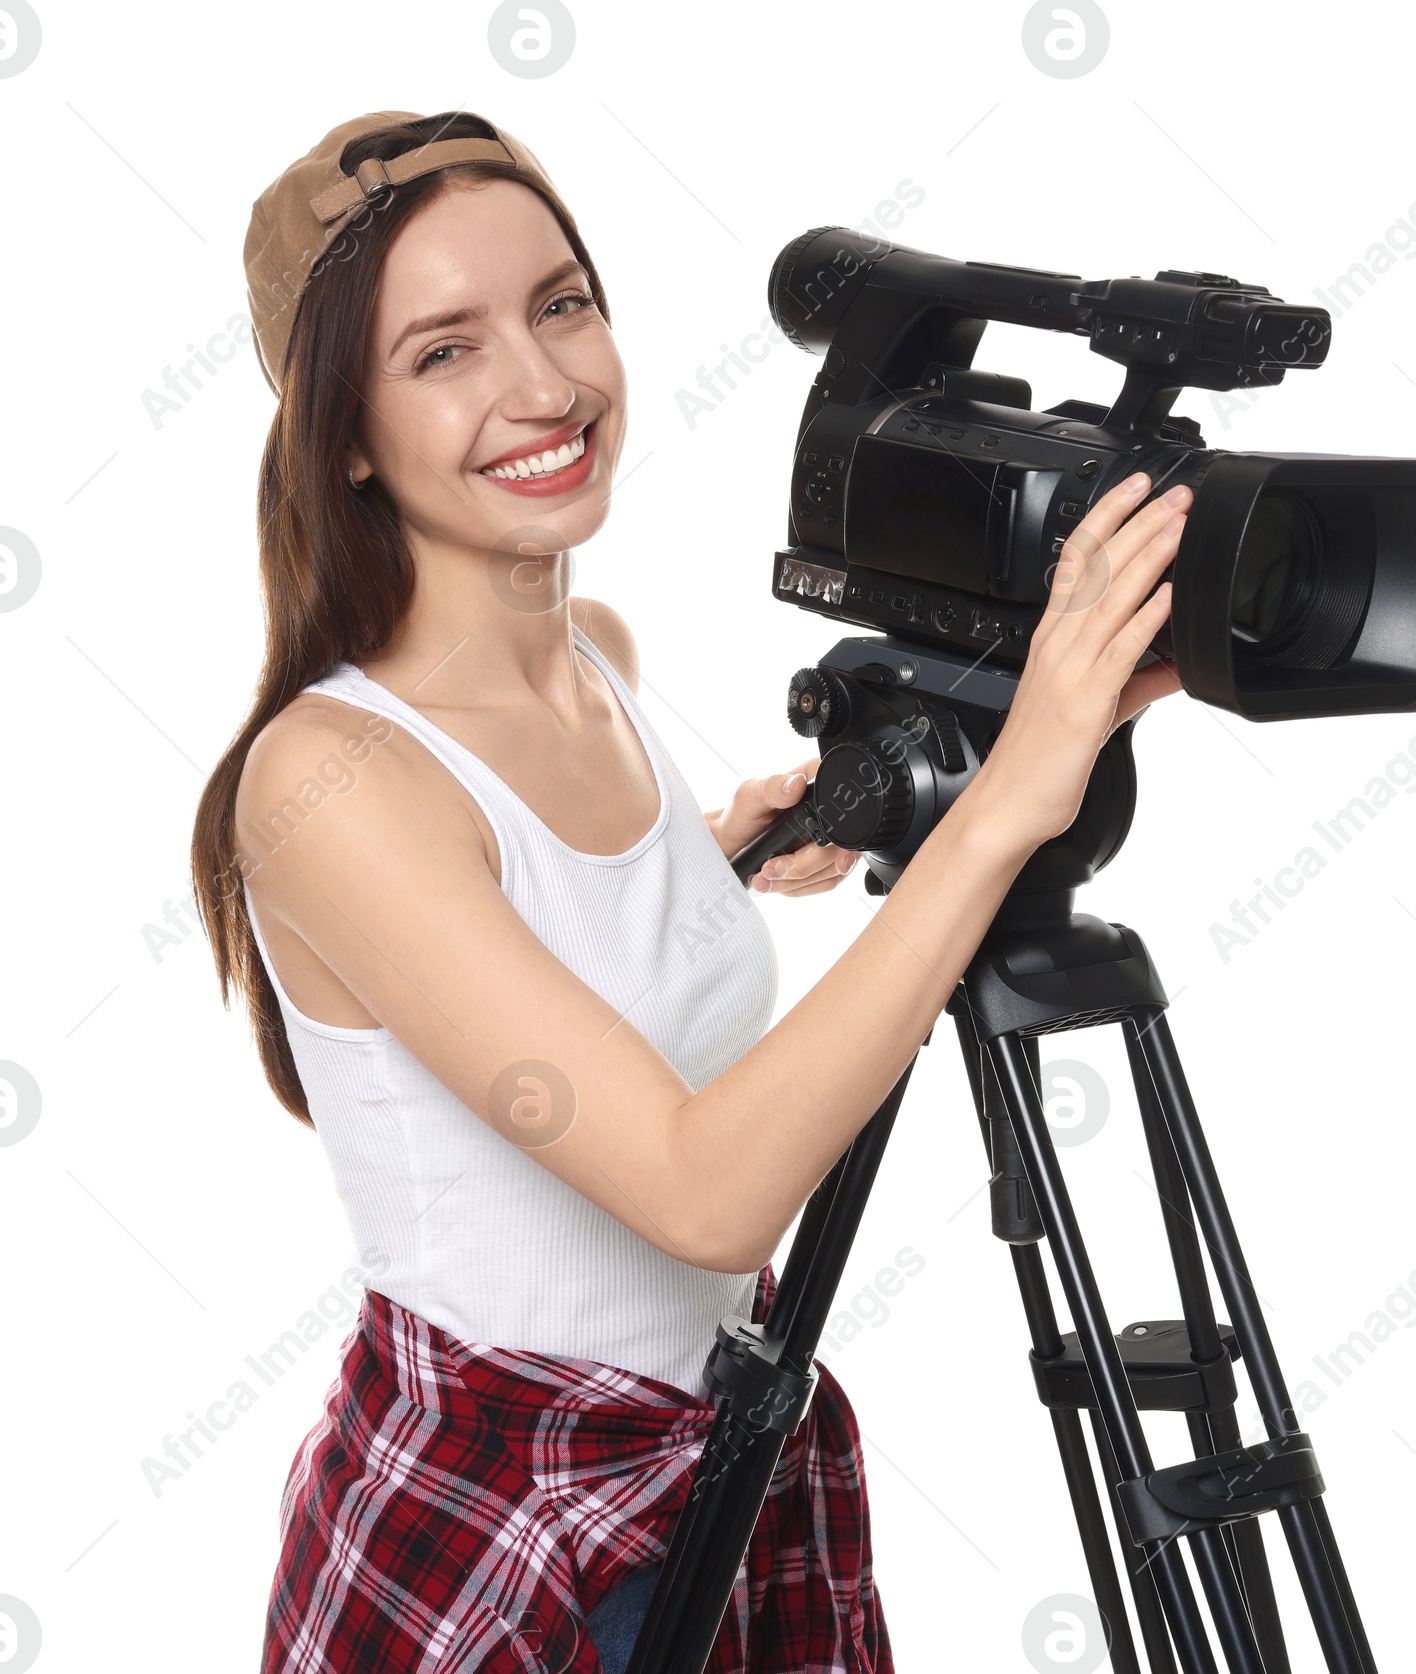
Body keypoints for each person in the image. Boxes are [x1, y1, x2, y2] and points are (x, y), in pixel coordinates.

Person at [192, 109, 1190, 1674]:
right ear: (345, 434)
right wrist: (1007, 804)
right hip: (507, 1526)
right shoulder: (331, 779)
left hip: (715, 1465)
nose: (542, 386)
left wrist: (719, 853)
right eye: (444, 350)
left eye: (562, 303)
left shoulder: (605, 668)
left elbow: (570, 939)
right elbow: (705, 1187)